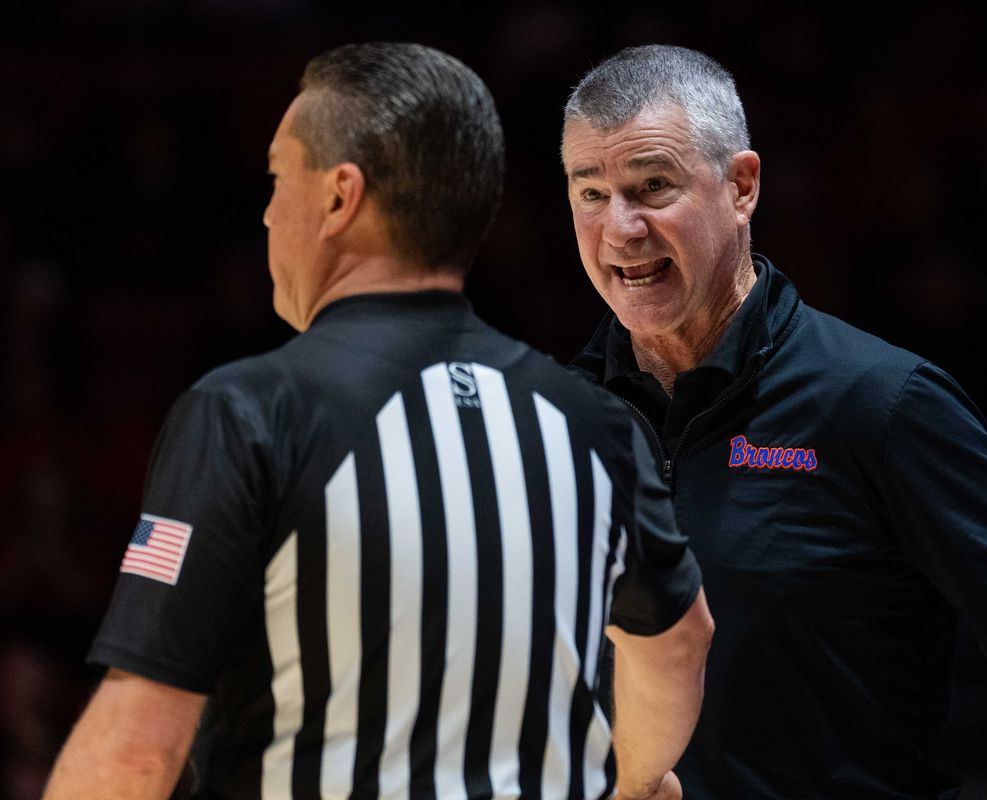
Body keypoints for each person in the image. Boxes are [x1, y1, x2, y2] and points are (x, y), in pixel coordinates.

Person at [43, 42, 713, 800]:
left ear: (338, 197)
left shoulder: (249, 414)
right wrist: (621, 782)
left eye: (277, 178)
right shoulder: (598, 427)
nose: (266, 212)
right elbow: (682, 644)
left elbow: (133, 756)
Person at [560, 44, 987, 799]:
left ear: (742, 186)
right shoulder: (558, 419)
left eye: (652, 187)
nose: (622, 228)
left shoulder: (879, 402)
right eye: (590, 193)